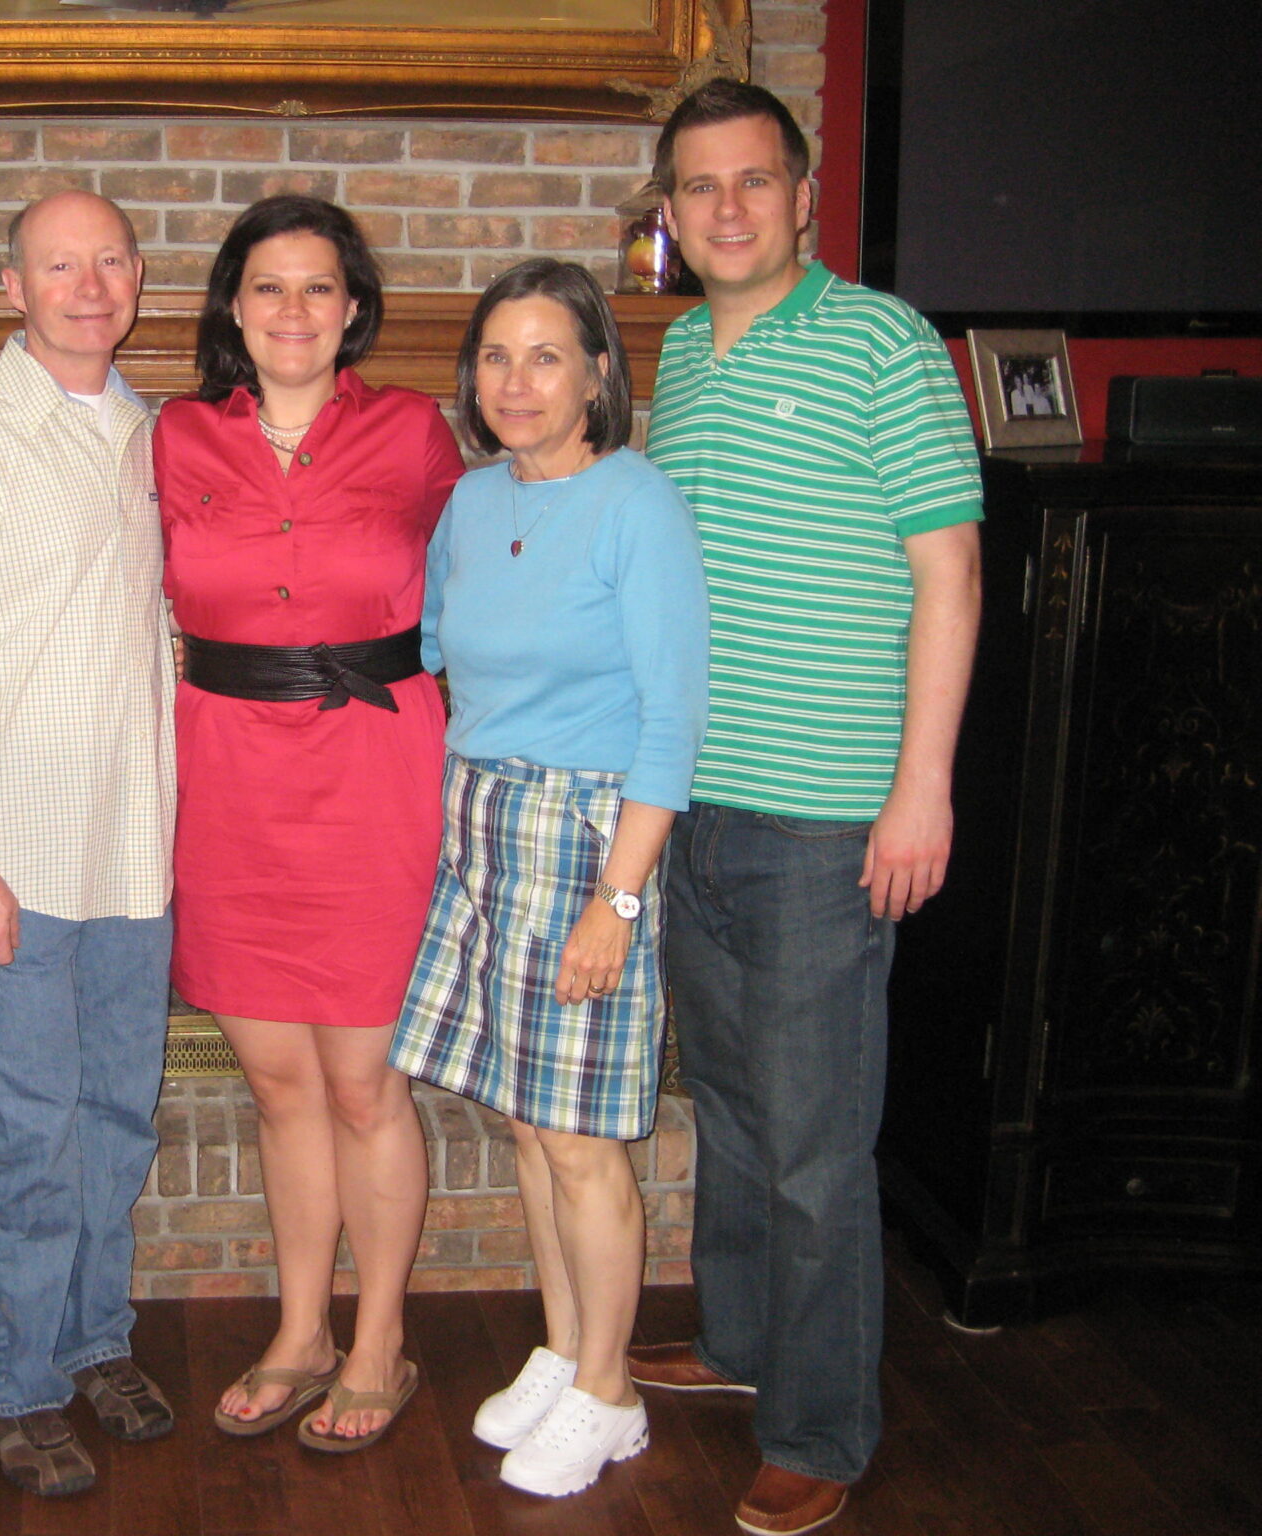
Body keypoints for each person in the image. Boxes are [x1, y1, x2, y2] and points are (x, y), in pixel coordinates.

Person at [633, 80, 984, 1536]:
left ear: (801, 192)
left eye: (753, 180)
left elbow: (949, 574)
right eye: (698, 185)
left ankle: (820, 1427)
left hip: (827, 819)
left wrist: (921, 790)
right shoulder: (679, 354)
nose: (727, 208)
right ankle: (739, 1338)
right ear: (669, 211)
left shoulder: (882, 344)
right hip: (697, 807)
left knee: (814, 1142)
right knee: (729, 1108)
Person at [391, 257, 709, 1500]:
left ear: (594, 376)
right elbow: (429, 652)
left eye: (543, 356)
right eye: (493, 356)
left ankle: (611, 1393)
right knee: (528, 1119)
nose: (513, 382)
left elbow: (672, 719)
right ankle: (567, 1349)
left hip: (588, 834)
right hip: (481, 822)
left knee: (580, 1139)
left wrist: (616, 901)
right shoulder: (471, 504)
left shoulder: (637, 503)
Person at [153, 195, 465, 1451]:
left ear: (351, 309)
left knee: (363, 1084)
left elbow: (479, 577)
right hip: (227, 779)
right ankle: (300, 1332)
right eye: (268, 286)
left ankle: (377, 1340)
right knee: (278, 1083)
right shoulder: (174, 437)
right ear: (233, 308)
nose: (293, 309)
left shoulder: (412, 432)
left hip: (374, 774)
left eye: (318, 286)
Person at [0, 190, 177, 1498]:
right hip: (10, 867)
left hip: (134, 859)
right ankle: (20, 1383)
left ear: (137, 280)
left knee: (115, 1123)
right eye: (60, 265)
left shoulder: (152, 439)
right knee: (30, 1137)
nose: (89, 285)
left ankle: (95, 1340)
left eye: (110, 261)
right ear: (13, 288)